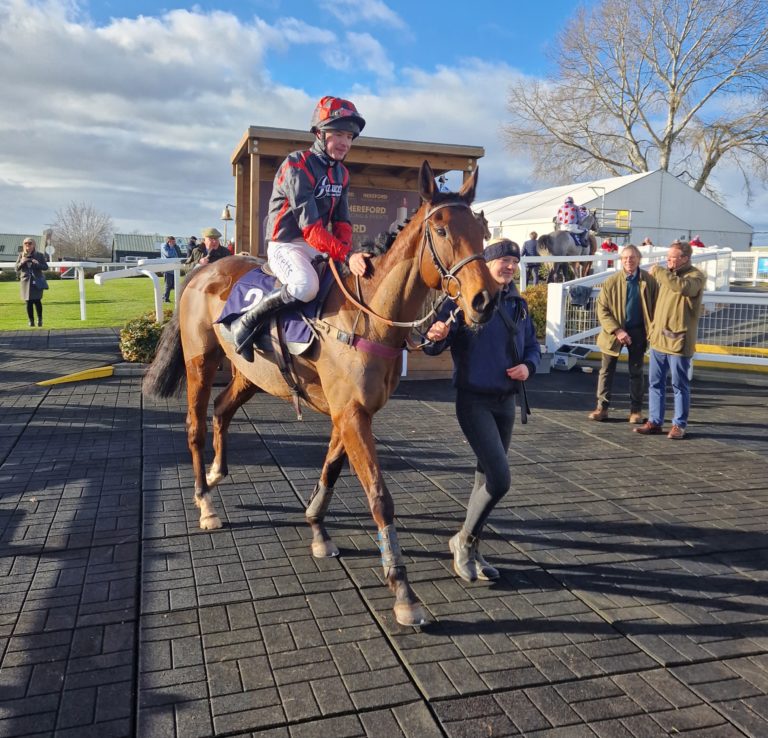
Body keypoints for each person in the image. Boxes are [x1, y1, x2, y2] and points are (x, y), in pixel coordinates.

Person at [423, 239, 541, 582]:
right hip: (473, 401)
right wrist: (436, 335)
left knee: (483, 480)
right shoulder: (461, 300)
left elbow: (532, 346)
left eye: (515, 262)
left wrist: (529, 368)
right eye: (504, 260)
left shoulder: (518, 303)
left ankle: (472, 548)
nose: (510, 266)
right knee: (500, 479)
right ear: (486, 264)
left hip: (507, 402)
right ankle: (464, 541)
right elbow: (433, 343)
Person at [231, 96, 370, 361]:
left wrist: (347, 253)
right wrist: (346, 255)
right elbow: (311, 228)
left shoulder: (342, 174)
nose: (345, 142)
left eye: (350, 136)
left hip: (315, 246)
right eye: (338, 133)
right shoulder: (297, 164)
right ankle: (246, 323)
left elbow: (342, 222)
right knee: (306, 286)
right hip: (285, 244)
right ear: (320, 132)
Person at [634, 241, 705, 440]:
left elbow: (683, 288)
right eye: (668, 256)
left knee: (679, 384)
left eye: (672, 257)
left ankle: (679, 425)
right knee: (655, 383)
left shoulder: (696, 276)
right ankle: (655, 422)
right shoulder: (668, 276)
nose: (668, 260)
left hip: (679, 341)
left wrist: (660, 272)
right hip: (659, 340)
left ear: (685, 258)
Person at [588, 244, 658, 424]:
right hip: (613, 332)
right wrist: (617, 330)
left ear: (639, 259)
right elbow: (602, 309)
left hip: (638, 331)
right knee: (606, 371)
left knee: (636, 371)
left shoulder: (648, 281)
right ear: (621, 260)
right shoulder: (611, 282)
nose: (629, 261)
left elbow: (657, 305)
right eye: (625, 258)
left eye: (633, 257)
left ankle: (635, 411)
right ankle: (601, 408)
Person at [15, 237, 49, 327]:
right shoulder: (21, 255)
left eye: (30, 244)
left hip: (37, 280)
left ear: (33, 245)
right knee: (28, 302)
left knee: (37, 301)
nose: (28, 246)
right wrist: (22, 262)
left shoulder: (39, 255)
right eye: (26, 244)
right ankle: (31, 321)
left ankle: (40, 319)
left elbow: (45, 267)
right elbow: (16, 268)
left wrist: (37, 264)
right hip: (26, 282)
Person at [161, 236, 182, 302]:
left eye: (174, 242)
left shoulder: (174, 246)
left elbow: (178, 254)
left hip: (173, 268)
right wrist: (172, 247)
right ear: (169, 241)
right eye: (173, 242)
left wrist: (174, 247)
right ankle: (165, 298)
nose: (174, 243)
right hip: (167, 268)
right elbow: (168, 254)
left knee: (173, 285)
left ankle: (165, 296)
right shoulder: (164, 246)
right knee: (168, 284)